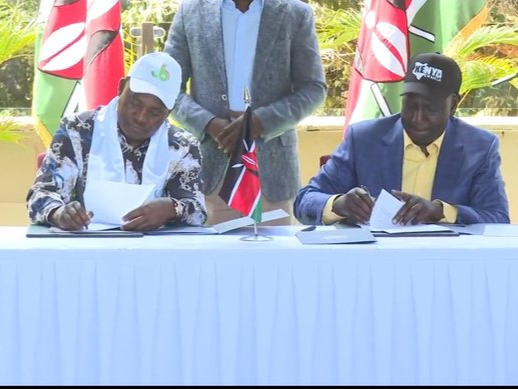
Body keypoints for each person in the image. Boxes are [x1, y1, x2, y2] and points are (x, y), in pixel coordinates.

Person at [294, 52, 510, 226]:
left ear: (453, 104)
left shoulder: (479, 147)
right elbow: (304, 201)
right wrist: (338, 204)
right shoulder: (364, 139)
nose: (418, 118)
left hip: (444, 264)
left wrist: (440, 211)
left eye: (429, 109)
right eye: (410, 105)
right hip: (374, 263)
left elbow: (497, 219)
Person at [164, 0, 327, 225]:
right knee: (211, 259)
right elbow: (169, 88)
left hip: (271, 172)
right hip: (211, 171)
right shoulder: (191, 11)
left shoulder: (295, 13)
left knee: (273, 259)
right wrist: (209, 123)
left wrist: (261, 121)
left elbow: (313, 88)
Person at [27, 52, 207, 231]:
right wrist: (59, 213)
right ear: (121, 88)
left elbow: (197, 210)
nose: (141, 117)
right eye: (135, 104)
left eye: (154, 112)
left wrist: (171, 209)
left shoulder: (183, 146)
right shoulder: (77, 130)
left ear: (169, 111)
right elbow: (40, 195)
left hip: (153, 251)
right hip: (84, 247)